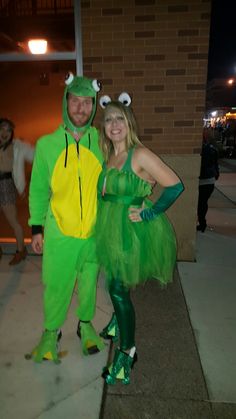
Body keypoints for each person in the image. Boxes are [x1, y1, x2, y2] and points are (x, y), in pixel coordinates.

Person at [95, 94, 184, 385]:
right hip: (109, 227)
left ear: (129, 122)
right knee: (113, 282)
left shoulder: (140, 154)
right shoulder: (109, 154)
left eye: (120, 118)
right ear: (104, 127)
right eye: (109, 119)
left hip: (129, 231)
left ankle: (127, 352)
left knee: (118, 290)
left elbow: (175, 186)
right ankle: (118, 322)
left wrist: (149, 212)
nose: (114, 124)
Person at [28, 73, 105, 363]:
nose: (82, 108)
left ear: (94, 106)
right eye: (76, 101)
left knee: (88, 283)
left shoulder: (101, 140)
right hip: (59, 231)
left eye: (88, 102)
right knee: (57, 284)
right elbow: (37, 189)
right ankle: (51, 332)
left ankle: (85, 326)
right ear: (65, 102)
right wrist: (37, 228)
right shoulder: (47, 145)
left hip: (94, 233)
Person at [0, 118, 34, 265]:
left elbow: (35, 155)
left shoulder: (17, 146)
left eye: (8, 130)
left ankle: (21, 250)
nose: (5, 132)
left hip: (6, 185)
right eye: (2, 128)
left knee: (13, 221)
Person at [197, 137, 219, 232]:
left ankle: (202, 224)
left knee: (201, 204)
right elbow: (215, 164)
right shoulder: (212, 149)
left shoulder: (202, 151)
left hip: (203, 181)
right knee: (203, 203)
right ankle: (202, 224)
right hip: (210, 180)